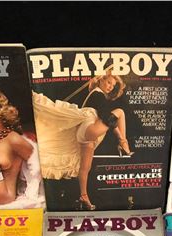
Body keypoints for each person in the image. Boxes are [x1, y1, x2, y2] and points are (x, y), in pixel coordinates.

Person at [31, 71, 132, 210]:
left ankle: (83, 196)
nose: (110, 87)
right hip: (89, 130)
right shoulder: (98, 94)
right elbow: (106, 117)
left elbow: (107, 119)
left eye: (113, 86)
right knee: (120, 112)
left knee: (85, 169)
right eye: (109, 82)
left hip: (84, 135)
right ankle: (124, 143)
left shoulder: (93, 95)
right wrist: (121, 139)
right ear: (100, 80)